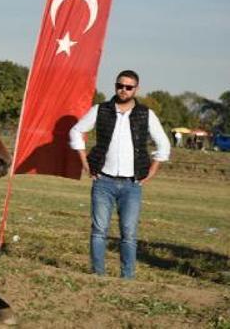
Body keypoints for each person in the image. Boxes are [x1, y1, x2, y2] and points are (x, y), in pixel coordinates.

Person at [69, 70, 171, 279]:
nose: (123, 90)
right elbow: (76, 131)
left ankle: (127, 277)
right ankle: (98, 275)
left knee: (129, 234)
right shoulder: (101, 110)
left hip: (132, 184)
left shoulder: (146, 114)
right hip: (103, 180)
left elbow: (163, 144)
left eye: (128, 87)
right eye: (120, 86)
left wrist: (152, 172)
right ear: (115, 86)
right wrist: (85, 163)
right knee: (99, 231)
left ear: (136, 89)